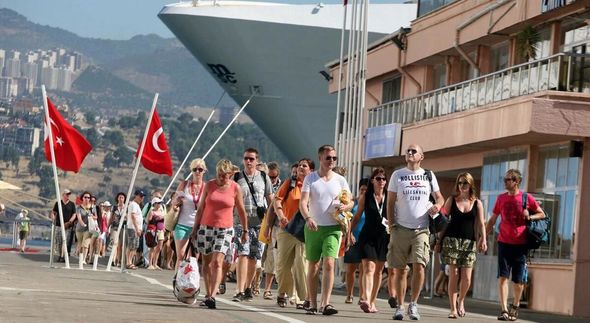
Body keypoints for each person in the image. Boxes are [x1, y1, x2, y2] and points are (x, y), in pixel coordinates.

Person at [387, 144, 444, 320]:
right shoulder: (398, 175)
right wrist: (391, 225)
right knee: (400, 270)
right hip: (401, 228)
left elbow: (439, 197)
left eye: (413, 151)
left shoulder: (429, 175)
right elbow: (390, 202)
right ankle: (400, 306)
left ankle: (413, 304)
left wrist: (438, 205)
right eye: (408, 151)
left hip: (421, 229)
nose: (410, 153)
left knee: (419, 266)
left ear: (421, 156)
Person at [300, 144, 353, 315]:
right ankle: (313, 303)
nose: (331, 160)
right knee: (313, 265)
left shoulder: (340, 180)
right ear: (320, 158)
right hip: (314, 227)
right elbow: (303, 202)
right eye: (328, 157)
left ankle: (326, 303)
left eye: (334, 158)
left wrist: (346, 207)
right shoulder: (311, 178)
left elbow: (350, 201)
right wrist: (308, 218)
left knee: (329, 262)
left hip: (333, 228)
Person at [486, 169, 545, 321]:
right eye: (504, 179)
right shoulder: (501, 199)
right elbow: (493, 219)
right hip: (504, 242)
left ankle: (516, 305)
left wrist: (530, 216)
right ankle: (504, 310)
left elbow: (542, 214)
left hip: (521, 244)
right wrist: (483, 237)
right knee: (503, 277)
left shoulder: (526, 197)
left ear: (516, 181)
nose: (505, 182)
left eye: (508, 179)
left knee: (518, 281)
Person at [193, 159, 249, 309]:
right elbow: (200, 209)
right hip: (206, 227)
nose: (221, 178)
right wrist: (195, 229)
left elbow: (242, 211)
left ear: (230, 174)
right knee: (206, 263)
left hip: (225, 229)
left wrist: (245, 230)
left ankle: (212, 296)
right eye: (219, 175)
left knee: (217, 262)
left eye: (224, 175)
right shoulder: (209, 185)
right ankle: (208, 293)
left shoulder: (236, 188)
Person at [437, 172, 487, 318]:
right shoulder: (451, 200)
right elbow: (443, 222)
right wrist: (438, 241)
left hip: (469, 243)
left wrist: (483, 239)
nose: (462, 186)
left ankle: (461, 301)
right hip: (451, 241)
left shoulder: (477, 203)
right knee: (454, 274)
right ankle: (453, 309)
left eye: (465, 183)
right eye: (459, 183)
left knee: (466, 278)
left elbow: (481, 224)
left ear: (470, 184)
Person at [269, 158, 314, 308]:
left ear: (311, 170)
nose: (301, 167)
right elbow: (277, 200)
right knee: (282, 265)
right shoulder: (290, 183)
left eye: (304, 166)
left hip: (304, 231)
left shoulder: (314, 186)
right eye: (300, 165)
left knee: (301, 265)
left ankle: (302, 298)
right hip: (287, 229)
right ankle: (282, 293)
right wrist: (281, 216)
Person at [232, 148, 273, 302]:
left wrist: (271, 221)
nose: (248, 161)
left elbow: (270, 198)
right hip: (241, 222)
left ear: (257, 161)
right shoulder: (237, 177)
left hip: (260, 223)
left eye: (251, 159)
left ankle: (248, 287)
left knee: (253, 257)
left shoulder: (263, 177)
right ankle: (239, 289)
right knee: (242, 253)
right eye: (246, 159)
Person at [352, 169, 390, 313]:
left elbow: (394, 216)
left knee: (379, 271)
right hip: (367, 236)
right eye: (378, 178)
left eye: (383, 179)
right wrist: (348, 232)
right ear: (373, 180)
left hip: (384, 237)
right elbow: (356, 217)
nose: (381, 181)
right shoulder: (366, 197)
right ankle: (366, 299)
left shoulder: (390, 197)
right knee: (369, 268)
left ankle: (372, 301)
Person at [174, 158, 206, 270]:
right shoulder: (184, 185)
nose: (197, 172)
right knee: (181, 255)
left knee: (194, 258)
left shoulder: (206, 188)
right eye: (195, 169)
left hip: (198, 226)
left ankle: (190, 284)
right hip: (182, 224)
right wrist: (177, 202)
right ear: (191, 171)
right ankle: (177, 280)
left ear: (204, 171)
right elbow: (175, 201)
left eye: (200, 169)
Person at [344, 178, 368, 305]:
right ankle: (349, 294)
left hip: (365, 240)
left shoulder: (370, 203)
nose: (364, 191)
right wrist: (349, 234)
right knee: (351, 269)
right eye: (362, 189)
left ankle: (362, 296)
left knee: (364, 269)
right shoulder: (353, 203)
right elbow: (347, 220)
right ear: (359, 190)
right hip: (353, 239)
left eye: (366, 189)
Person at [51, 189, 76, 262]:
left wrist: (70, 221)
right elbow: (53, 212)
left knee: (65, 241)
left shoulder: (72, 204)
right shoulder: (58, 203)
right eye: (67, 194)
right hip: (58, 225)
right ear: (63, 195)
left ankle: (62, 256)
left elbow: (74, 214)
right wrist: (53, 218)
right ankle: (60, 255)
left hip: (67, 226)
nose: (68, 196)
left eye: (69, 194)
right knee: (59, 241)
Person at [74, 191, 97, 265]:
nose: (87, 199)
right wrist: (83, 224)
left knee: (86, 244)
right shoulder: (79, 208)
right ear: (82, 198)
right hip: (80, 229)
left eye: (88, 197)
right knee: (80, 244)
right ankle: (80, 257)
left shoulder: (92, 207)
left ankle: (83, 259)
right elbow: (79, 218)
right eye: (85, 197)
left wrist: (91, 216)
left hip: (89, 229)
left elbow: (96, 217)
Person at [126, 190, 145, 269]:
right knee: (132, 245)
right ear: (136, 196)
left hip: (136, 228)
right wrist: (137, 228)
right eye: (140, 196)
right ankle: (128, 262)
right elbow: (133, 216)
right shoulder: (133, 204)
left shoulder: (137, 205)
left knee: (135, 246)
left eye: (143, 196)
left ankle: (130, 261)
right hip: (133, 228)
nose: (142, 198)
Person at [147, 197, 165, 270]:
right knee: (152, 247)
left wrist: (164, 228)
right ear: (154, 204)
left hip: (160, 230)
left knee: (159, 247)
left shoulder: (161, 211)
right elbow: (149, 221)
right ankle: (150, 264)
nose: (159, 204)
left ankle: (155, 263)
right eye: (158, 203)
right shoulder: (151, 212)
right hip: (153, 230)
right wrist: (155, 218)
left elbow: (164, 221)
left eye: (160, 203)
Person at [108, 192, 126, 267]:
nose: (121, 199)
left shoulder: (127, 207)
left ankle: (118, 260)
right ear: (117, 198)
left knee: (120, 245)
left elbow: (129, 217)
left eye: (122, 197)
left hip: (123, 228)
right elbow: (111, 218)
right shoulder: (114, 207)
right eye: (119, 197)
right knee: (115, 243)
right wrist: (107, 227)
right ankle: (112, 260)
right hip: (115, 227)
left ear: (124, 199)